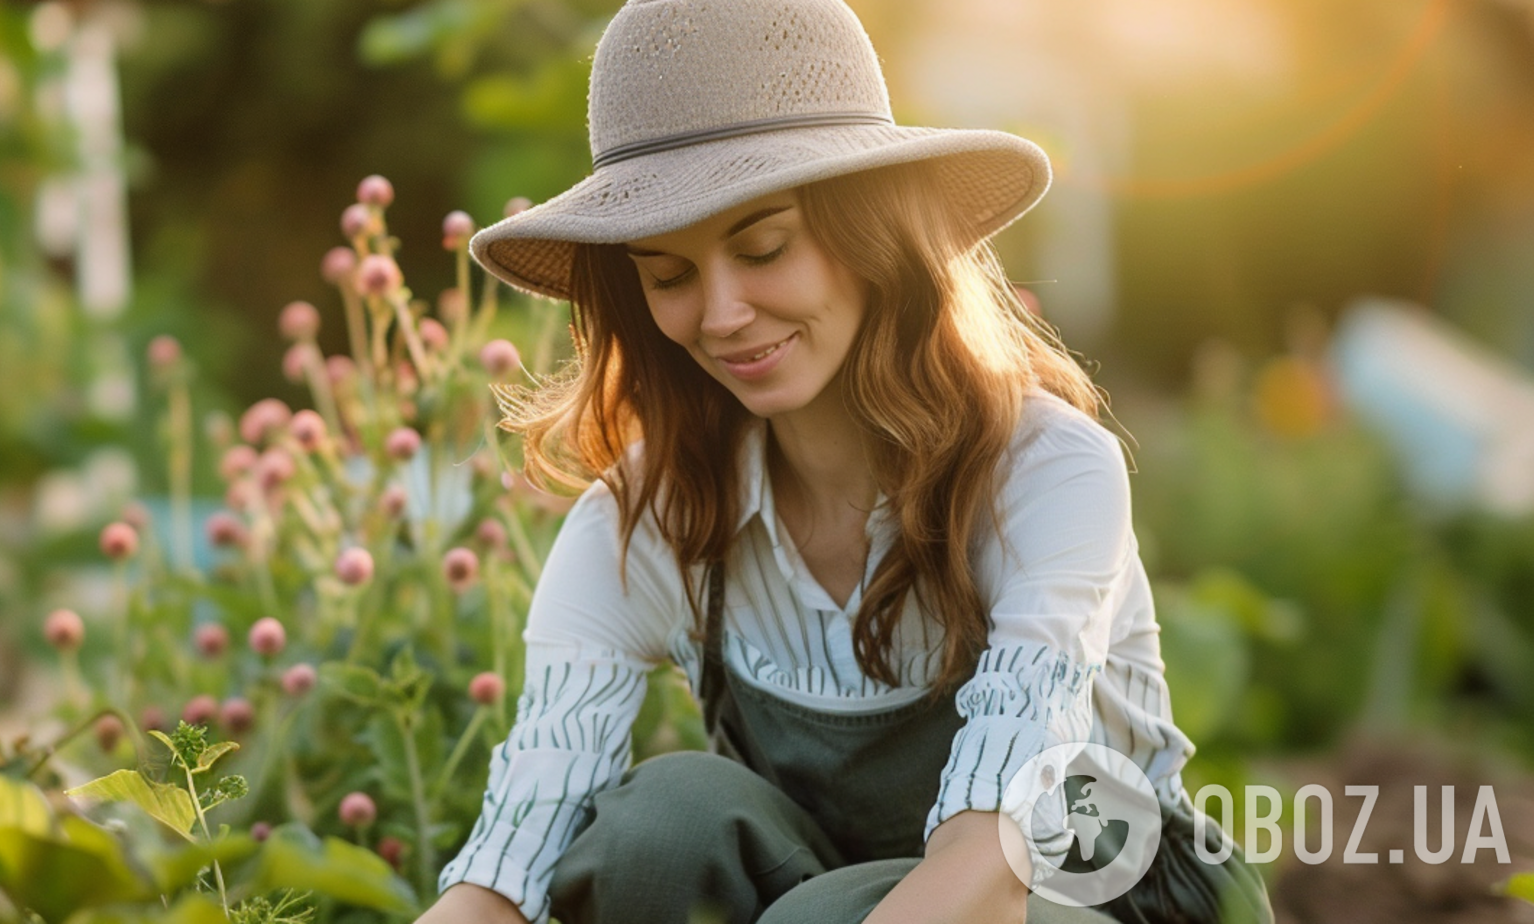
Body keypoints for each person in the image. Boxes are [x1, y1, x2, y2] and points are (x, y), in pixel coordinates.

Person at [416, 1, 1273, 922]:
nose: (721, 313)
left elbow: (998, 843)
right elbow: (507, 865)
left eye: (764, 248)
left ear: (872, 233)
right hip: (848, 894)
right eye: (668, 275)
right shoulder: (648, 522)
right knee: (656, 832)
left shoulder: (1045, 470)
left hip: (1102, 894)